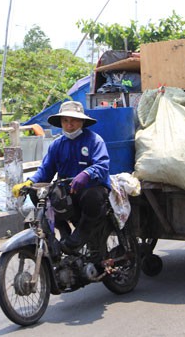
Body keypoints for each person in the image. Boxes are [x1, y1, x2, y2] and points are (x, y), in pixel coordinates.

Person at [12, 101, 111, 254]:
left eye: (73, 120)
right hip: (67, 190)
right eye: (65, 121)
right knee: (37, 193)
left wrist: (86, 174)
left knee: (92, 197)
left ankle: (80, 236)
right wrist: (29, 182)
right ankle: (62, 231)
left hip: (91, 188)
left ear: (82, 122)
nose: (69, 125)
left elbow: (102, 165)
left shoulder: (94, 140)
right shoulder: (57, 145)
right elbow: (46, 170)